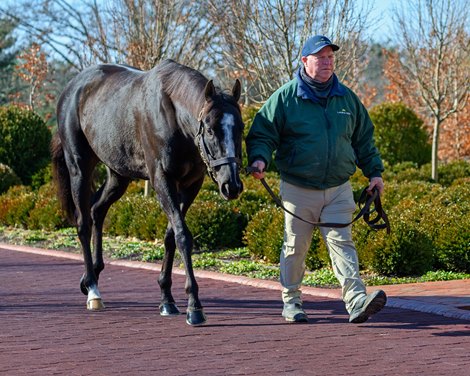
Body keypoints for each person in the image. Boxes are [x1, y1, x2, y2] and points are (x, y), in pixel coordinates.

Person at [246, 35, 387, 324]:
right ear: (304, 61)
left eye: (330, 57)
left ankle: (356, 300)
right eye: (320, 57)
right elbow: (262, 132)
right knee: (296, 247)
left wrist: (374, 173)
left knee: (342, 243)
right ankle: (292, 301)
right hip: (299, 188)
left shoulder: (346, 98)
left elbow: (363, 140)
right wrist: (259, 158)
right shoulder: (285, 98)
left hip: (338, 188)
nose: (327, 62)